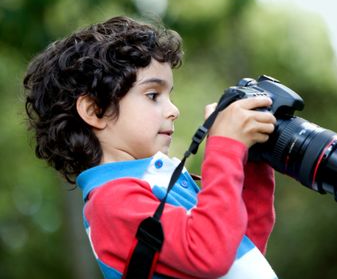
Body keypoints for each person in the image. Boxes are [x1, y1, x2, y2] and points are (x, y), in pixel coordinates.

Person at [23, 16, 278, 279]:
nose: (174, 110)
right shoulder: (111, 200)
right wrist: (225, 148)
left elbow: (241, 250)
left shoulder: (157, 184)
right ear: (95, 111)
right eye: (153, 95)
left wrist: (250, 163)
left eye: (169, 95)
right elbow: (209, 254)